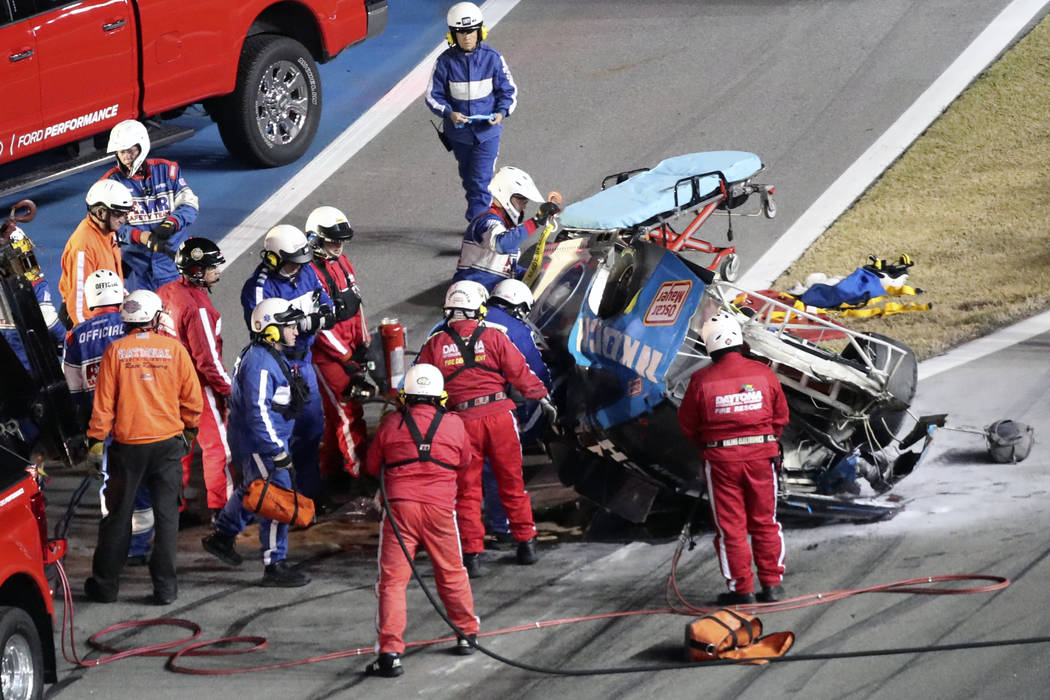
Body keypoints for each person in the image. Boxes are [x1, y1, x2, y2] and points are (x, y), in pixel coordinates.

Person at [417, 281, 555, 577]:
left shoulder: (435, 344)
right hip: (500, 417)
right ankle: (526, 543)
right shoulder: (494, 336)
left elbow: (420, 388)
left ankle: (472, 555)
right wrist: (542, 396)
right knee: (512, 484)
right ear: (477, 308)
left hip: (461, 422)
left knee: (466, 491)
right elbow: (521, 373)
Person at [83, 289, 202, 605]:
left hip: (128, 447)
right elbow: (192, 399)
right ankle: (165, 590)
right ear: (155, 317)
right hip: (166, 446)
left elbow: (104, 404)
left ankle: (105, 587)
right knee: (167, 519)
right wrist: (188, 431)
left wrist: (96, 443)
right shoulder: (174, 350)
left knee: (118, 518)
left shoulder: (115, 352)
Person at [363, 364, 480, 678]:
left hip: (399, 511)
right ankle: (466, 634)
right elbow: (465, 461)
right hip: (440, 510)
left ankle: (390, 653)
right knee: (452, 573)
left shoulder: (390, 425)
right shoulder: (454, 425)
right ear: (440, 396)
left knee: (392, 584)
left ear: (405, 396)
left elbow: (373, 465)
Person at [676, 313, 790, 605]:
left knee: (731, 528)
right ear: (739, 339)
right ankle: (772, 586)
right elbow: (781, 417)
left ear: (709, 344)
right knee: (765, 522)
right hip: (762, 458)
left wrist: (712, 448)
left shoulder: (700, 381)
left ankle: (742, 590)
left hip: (722, 462)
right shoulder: (764, 373)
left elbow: (688, 426)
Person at [201, 298, 311, 587]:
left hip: (258, 441)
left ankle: (222, 536)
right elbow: (257, 411)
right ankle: (274, 563)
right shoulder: (260, 363)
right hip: (262, 444)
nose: (296, 330)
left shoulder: (263, 355)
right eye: (289, 325)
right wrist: (276, 450)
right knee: (276, 499)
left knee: (253, 489)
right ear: (271, 330)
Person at [63, 270, 155, 565]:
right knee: (141, 483)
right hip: (138, 420)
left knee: (110, 484)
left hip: (99, 426)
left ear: (91, 299)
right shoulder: (132, 324)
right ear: (121, 294)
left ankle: (114, 541)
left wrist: (83, 432)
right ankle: (138, 547)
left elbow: (74, 389)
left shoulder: (75, 336)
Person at [240, 224, 335, 500]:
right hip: (276, 368)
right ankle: (280, 498)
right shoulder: (258, 289)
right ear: (274, 259)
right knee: (279, 436)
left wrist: (305, 322)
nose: (298, 268)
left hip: (303, 363)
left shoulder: (307, 272)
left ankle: (309, 494)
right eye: (293, 263)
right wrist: (309, 322)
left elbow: (328, 310)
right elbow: (264, 332)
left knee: (312, 429)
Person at [157, 238, 233, 517]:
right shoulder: (199, 308)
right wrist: (228, 388)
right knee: (217, 448)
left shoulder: (165, 292)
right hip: (196, 387)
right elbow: (208, 361)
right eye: (213, 267)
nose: (218, 271)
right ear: (198, 271)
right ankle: (221, 510)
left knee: (178, 449)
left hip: (166, 384)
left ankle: (173, 510)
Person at [426, 2, 519, 222]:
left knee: (481, 181)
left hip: (487, 133)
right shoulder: (444, 63)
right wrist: (449, 112)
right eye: (461, 33)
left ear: (480, 32)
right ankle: (479, 217)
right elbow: (432, 96)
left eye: (471, 32)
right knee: (470, 180)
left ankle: (480, 230)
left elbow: (509, 91)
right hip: (459, 135)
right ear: (452, 35)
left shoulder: (493, 59)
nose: (466, 37)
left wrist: (502, 112)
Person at [478, 278, 552, 542]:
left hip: (450, 418)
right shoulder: (516, 331)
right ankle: (514, 536)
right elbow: (535, 374)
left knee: (462, 485)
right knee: (506, 477)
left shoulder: (445, 329)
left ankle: (468, 546)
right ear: (519, 306)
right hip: (496, 414)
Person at [304, 206, 371, 487]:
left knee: (335, 417)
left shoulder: (343, 263)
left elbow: (357, 306)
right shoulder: (308, 275)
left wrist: (364, 343)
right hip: (327, 359)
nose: (338, 245)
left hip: (349, 352)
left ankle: (331, 471)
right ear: (315, 240)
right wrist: (345, 357)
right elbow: (319, 327)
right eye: (333, 240)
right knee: (348, 412)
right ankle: (359, 474)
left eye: (341, 240)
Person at [103, 119, 200, 292]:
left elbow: (190, 204)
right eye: (121, 152)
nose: (126, 157)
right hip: (136, 271)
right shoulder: (110, 183)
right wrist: (139, 236)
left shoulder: (168, 170)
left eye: (130, 151)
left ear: (141, 147)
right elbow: (105, 226)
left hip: (174, 266)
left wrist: (170, 224)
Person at [453, 166, 560, 290]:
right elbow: (500, 244)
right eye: (522, 202)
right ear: (507, 195)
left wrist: (534, 274)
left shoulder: (505, 227)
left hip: (491, 292)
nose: (523, 208)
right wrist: (535, 222)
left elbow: (503, 269)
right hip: (472, 293)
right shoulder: (487, 221)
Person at [60, 179, 134, 326]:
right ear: (100, 212)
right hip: (88, 321)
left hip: (106, 312)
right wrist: (89, 338)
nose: (123, 220)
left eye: (126, 214)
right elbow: (78, 303)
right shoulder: (83, 246)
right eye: (119, 214)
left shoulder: (108, 232)